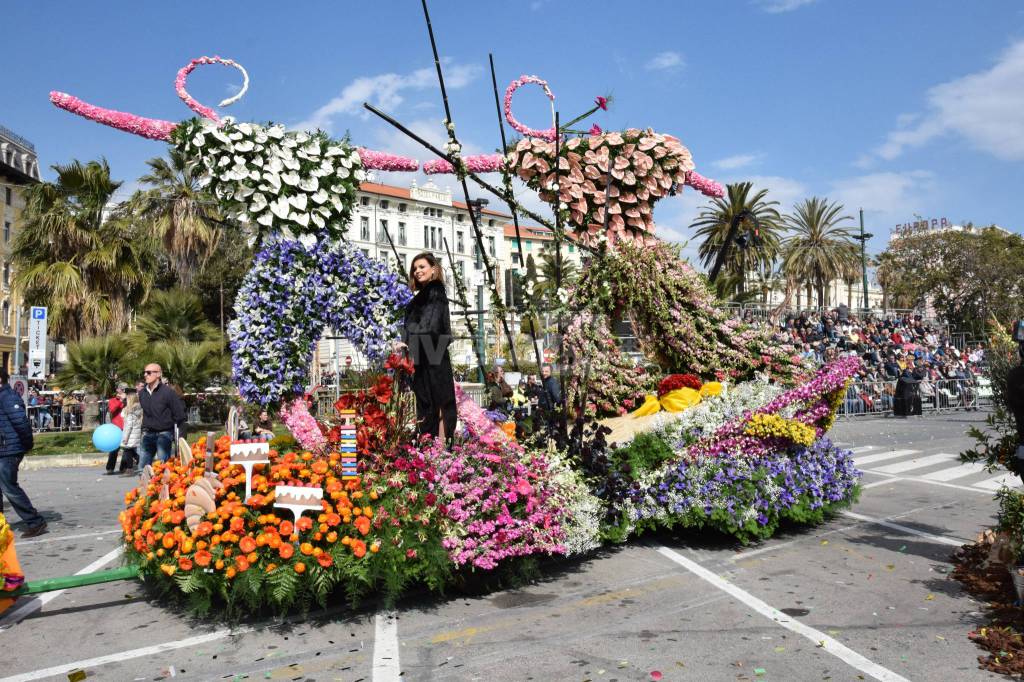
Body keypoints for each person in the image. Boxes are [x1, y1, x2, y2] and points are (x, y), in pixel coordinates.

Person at [399, 253, 457, 445]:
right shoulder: (423, 295)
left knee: (438, 401)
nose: (417, 271)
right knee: (427, 403)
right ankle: (432, 450)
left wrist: (409, 342)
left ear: (434, 269)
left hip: (434, 355)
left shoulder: (435, 290)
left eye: (422, 267)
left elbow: (431, 324)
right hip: (424, 357)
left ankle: (440, 450)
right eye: (415, 269)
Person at [0, 367, 45, 537]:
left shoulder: (8, 396)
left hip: (9, 450)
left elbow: (21, 423)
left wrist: (27, 444)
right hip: (3, 449)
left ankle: (35, 522)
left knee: (9, 488)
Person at [138, 363, 187, 469]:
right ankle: (145, 486)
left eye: (149, 372)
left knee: (162, 468)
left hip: (164, 434)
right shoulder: (142, 393)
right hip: (147, 434)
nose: (145, 375)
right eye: (144, 372)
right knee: (142, 468)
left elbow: (179, 414)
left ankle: (162, 485)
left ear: (158, 374)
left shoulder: (168, 392)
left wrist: (178, 435)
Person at [118, 389, 142, 475]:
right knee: (133, 450)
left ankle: (129, 468)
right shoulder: (139, 409)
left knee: (127, 450)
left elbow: (128, 426)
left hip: (130, 434)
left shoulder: (130, 411)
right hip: (137, 433)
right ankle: (140, 462)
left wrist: (125, 438)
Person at [104, 384, 126, 475]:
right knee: (114, 449)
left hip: (127, 426)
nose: (123, 391)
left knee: (127, 449)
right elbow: (112, 410)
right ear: (117, 390)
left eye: (125, 389)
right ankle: (110, 467)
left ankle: (124, 467)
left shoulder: (129, 400)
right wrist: (120, 401)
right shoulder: (113, 400)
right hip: (116, 427)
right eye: (122, 389)